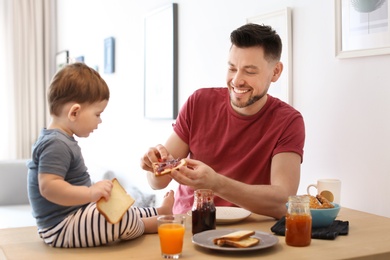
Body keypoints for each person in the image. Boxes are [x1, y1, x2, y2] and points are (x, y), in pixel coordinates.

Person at [140, 23, 305, 220]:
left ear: (276, 72)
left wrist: (215, 183)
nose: (237, 80)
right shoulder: (198, 102)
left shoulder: (288, 121)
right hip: (190, 225)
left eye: (249, 71)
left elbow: (283, 201)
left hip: (251, 233)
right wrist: (154, 166)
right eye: (232, 68)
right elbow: (157, 183)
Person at [27, 63, 174, 248]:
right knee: (119, 216)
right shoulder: (56, 144)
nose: (100, 121)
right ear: (74, 112)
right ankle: (151, 223)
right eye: (98, 114)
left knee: (117, 205)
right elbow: (49, 187)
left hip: (74, 216)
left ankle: (159, 211)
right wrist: (90, 193)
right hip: (61, 227)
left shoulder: (60, 139)